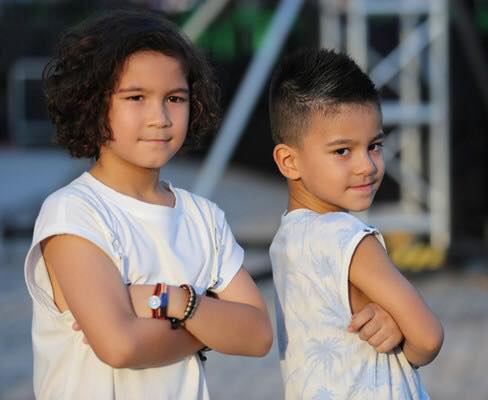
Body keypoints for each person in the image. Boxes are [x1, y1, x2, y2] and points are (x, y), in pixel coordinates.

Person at [23, 9, 272, 400]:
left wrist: (170, 300)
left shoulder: (203, 217)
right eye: (136, 97)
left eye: (175, 98)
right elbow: (121, 346)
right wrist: (209, 324)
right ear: (92, 102)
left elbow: (258, 334)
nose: (159, 118)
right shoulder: (74, 212)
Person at [268, 48, 444, 399]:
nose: (367, 166)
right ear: (289, 161)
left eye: (374, 146)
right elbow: (428, 338)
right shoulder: (350, 238)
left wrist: (390, 320)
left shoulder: (286, 239)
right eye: (342, 151)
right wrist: (404, 343)